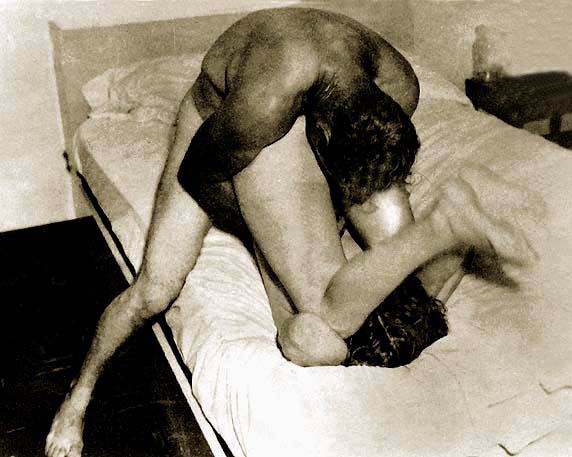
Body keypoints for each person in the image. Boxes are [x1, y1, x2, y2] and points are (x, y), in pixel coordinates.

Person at [45, 8, 537, 457]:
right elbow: (202, 177)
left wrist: (332, 215)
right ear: (321, 134)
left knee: (392, 258)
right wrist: (268, 239)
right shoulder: (260, 106)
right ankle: (77, 397)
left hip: (321, 111)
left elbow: (368, 160)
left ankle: (431, 245)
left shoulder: (399, 84)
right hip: (217, 131)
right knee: (156, 288)